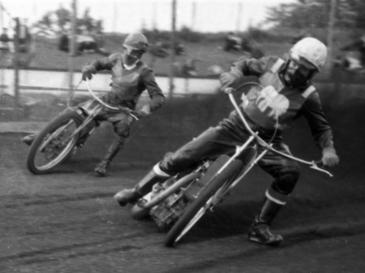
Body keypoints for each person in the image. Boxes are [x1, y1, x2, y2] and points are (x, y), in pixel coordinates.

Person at [114, 37, 340, 246]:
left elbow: (321, 126)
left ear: (312, 73)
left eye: (306, 70)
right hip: (235, 126)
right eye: (297, 64)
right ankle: (136, 192)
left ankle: (259, 228)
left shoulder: (309, 95)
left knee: (290, 173)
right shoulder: (271, 63)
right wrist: (233, 75)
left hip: (266, 142)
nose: (299, 72)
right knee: (183, 156)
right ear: (290, 57)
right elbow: (243, 65)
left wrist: (328, 148)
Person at [22, 32, 165, 177]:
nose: (136, 54)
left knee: (123, 129)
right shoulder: (116, 58)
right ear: (125, 47)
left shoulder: (145, 72)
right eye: (134, 50)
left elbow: (158, 97)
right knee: (74, 112)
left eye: (140, 52)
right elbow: (99, 63)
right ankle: (41, 136)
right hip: (107, 99)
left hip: (123, 109)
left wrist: (145, 109)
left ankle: (104, 163)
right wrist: (90, 68)